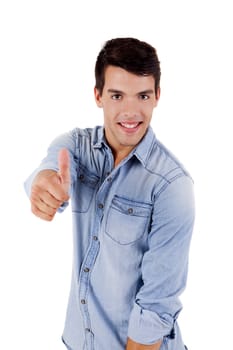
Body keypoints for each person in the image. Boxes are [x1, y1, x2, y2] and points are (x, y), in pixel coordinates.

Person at [24, 37, 195, 350]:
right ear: (98, 96)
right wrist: (43, 184)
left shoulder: (172, 185)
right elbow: (51, 166)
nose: (130, 111)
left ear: (157, 96)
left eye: (142, 95)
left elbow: (155, 309)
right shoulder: (77, 146)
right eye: (117, 95)